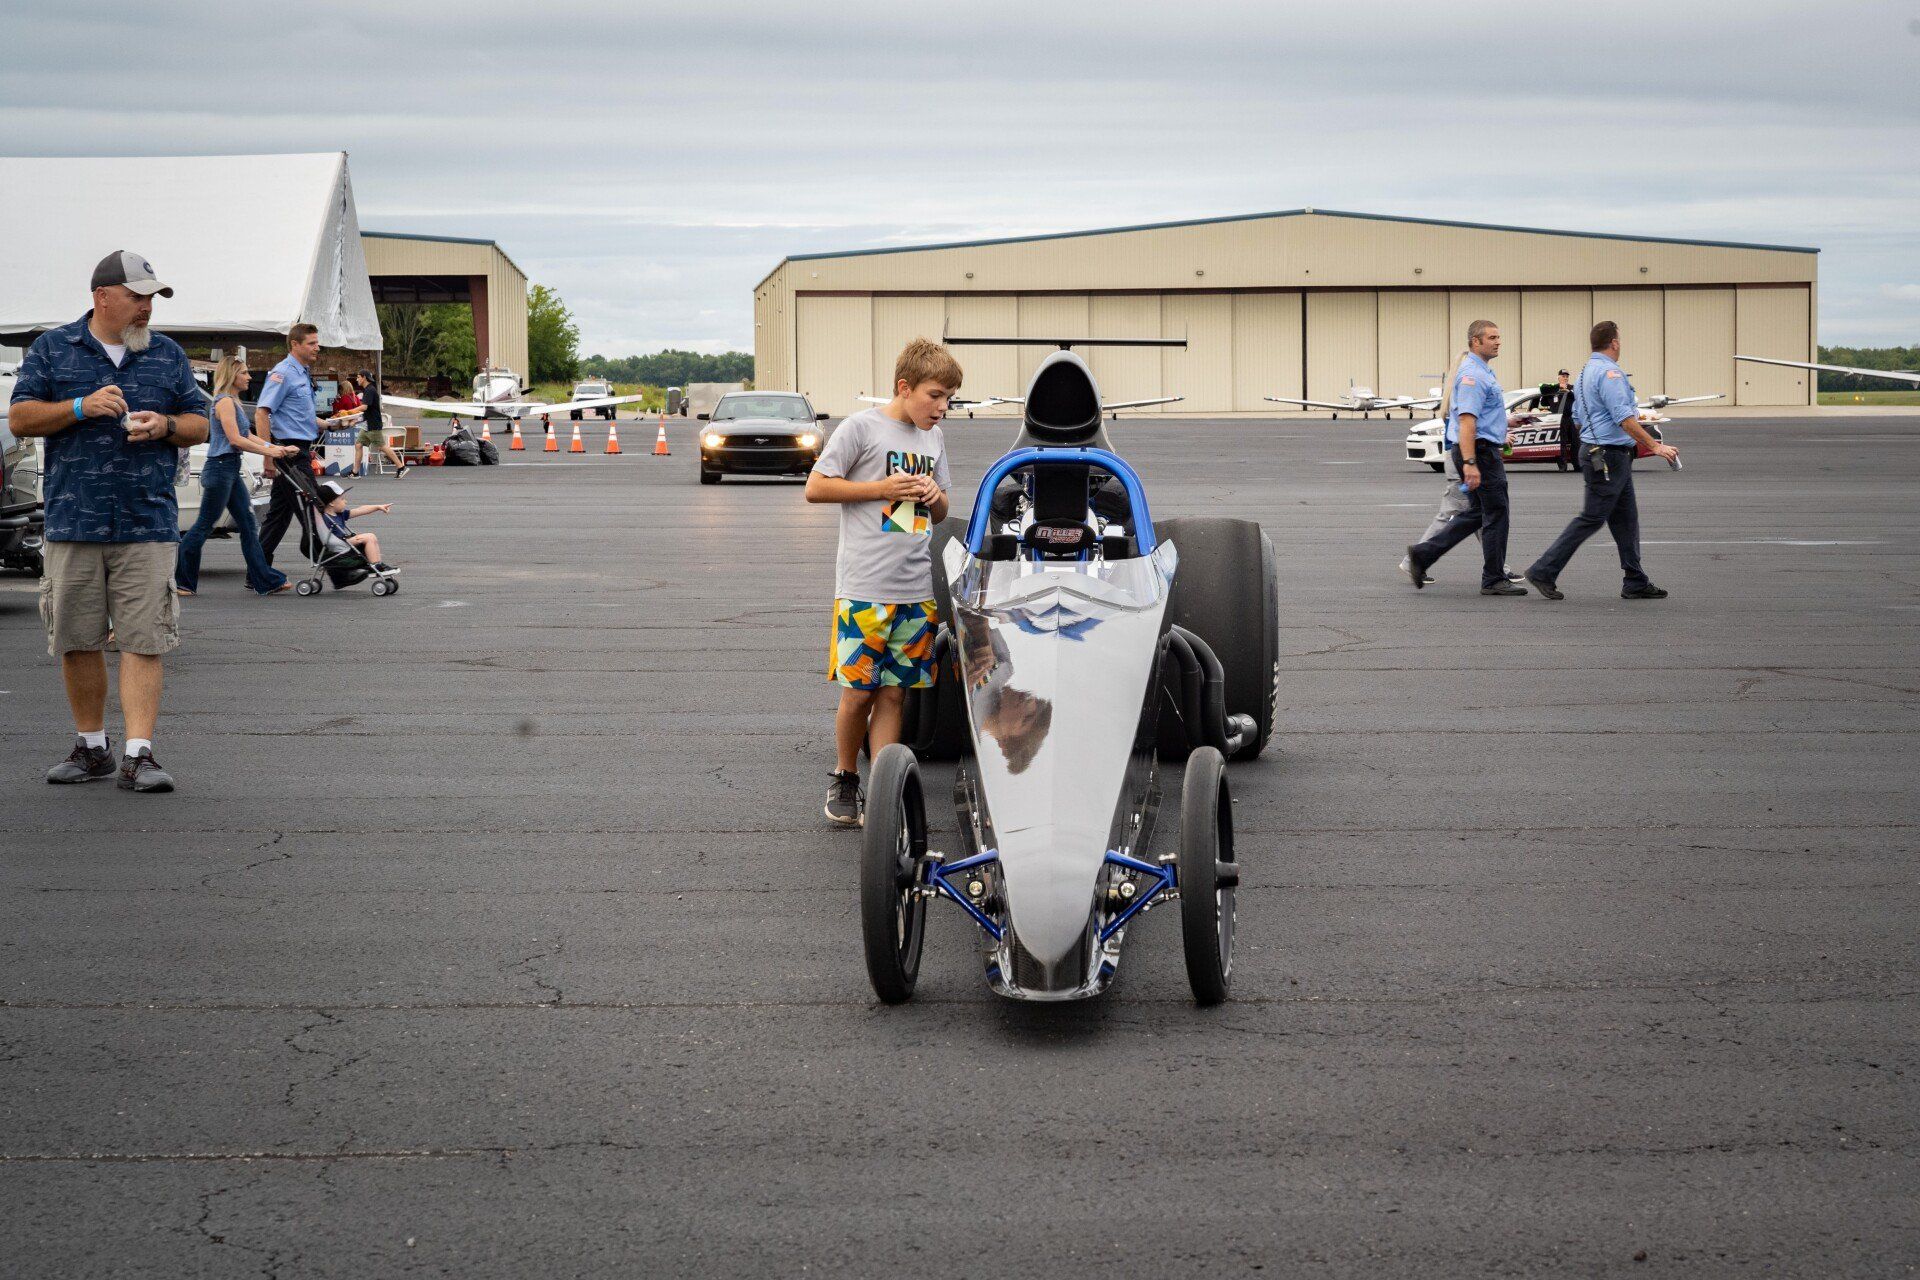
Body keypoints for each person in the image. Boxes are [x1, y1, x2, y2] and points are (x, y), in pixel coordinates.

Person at [7, 251, 212, 792]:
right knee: (77, 638)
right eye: (138, 297)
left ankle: (139, 754)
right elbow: (21, 416)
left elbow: (201, 423)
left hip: (147, 521)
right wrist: (79, 407)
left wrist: (166, 424)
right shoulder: (53, 348)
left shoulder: (167, 355)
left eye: (152, 299)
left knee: (145, 639)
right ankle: (91, 747)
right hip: (74, 521)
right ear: (103, 297)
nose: (147, 308)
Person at [805, 337, 959, 826]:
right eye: (935, 395)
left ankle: (883, 789)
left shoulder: (932, 438)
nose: (942, 408)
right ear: (904, 386)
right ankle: (845, 777)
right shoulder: (861, 429)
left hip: (915, 589)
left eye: (949, 398)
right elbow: (816, 486)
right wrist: (881, 489)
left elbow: (943, 508)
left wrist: (934, 497)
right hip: (864, 588)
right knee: (859, 693)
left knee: (894, 694)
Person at [1525, 322, 1681, 601]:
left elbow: (1576, 417)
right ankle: (1543, 570)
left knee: (1626, 519)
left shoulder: (1585, 373)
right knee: (1591, 517)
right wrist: (1654, 446)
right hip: (1608, 454)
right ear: (1614, 342)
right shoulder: (1610, 373)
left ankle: (1634, 579)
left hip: (1601, 451)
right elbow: (1624, 417)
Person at [1404, 320, 1528, 596]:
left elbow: (1481, 417)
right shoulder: (1473, 375)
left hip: (1479, 448)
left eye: (1499, 337)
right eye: (1492, 337)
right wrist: (1471, 464)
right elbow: (1468, 421)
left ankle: (1423, 555)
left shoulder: (1481, 372)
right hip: (1479, 453)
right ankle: (1494, 578)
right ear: (1475, 341)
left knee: (1477, 513)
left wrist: (1509, 421)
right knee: (1497, 513)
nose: (1498, 342)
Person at [175, 355, 298, 596]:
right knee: (203, 526)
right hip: (220, 469)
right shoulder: (224, 403)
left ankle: (265, 580)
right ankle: (183, 582)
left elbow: (247, 435)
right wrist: (270, 450)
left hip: (229, 469)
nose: (249, 377)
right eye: (244, 373)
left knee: (248, 526)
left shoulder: (233, 402)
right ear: (232, 375)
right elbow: (235, 440)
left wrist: (274, 449)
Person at [256, 324, 326, 565]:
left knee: (278, 515)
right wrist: (268, 455)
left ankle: (258, 571)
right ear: (295, 344)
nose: (317, 347)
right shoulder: (283, 372)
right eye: (312, 343)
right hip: (290, 453)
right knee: (314, 509)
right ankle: (337, 564)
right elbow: (262, 412)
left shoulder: (302, 372)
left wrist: (330, 425)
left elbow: (297, 415)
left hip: (300, 448)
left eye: (317, 343)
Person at [316, 480, 396, 570]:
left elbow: (360, 510)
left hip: (344, 541)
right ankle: (375, 565)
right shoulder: (325, 519)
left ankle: (378, 563)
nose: (345, 501)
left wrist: (377, 507)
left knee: (371, 537)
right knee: (369, 537)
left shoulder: (339, 514)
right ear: (331, 503)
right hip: (337, 545)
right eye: (342, 499)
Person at [350, 370, 408, 477]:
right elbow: (367, 411)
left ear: (364, 378)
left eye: (358, 377)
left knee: (382, 447)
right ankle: (355, 472)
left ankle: (401, 467)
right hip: (367, 425)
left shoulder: (370, 390)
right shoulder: (368, 390)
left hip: (373, 425)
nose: (357, 379)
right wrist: (356, 419)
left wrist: (351, 411)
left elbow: (364, 407)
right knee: (358, 445)